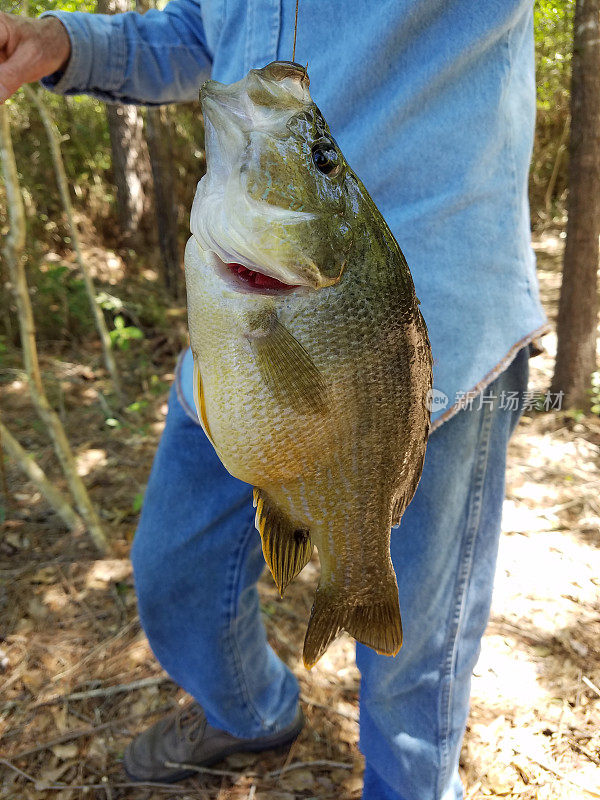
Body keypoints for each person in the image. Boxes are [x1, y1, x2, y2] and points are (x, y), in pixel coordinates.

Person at [0, 3, 549, 798]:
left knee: (411, 666)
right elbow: (198, 35)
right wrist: (65, 41)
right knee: (174, 572)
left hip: (433, 335)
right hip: (242, 315)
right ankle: (252, 711)